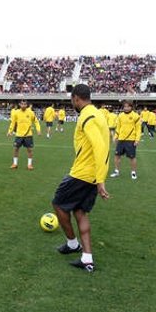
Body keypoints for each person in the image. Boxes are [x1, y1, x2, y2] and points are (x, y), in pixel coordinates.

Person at [53, 84, 110, 272]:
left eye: (72, 100)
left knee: (59, 204)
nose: (72, 103)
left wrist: (100, 179)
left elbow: (99, 147)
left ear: (76, 98)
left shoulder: (88, 115)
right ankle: (87, 258)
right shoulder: (98, 114)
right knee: (79, 211)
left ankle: (72, 244)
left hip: (83, 173)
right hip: (91, 174)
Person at [110, 100, 141, 179]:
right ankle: (116, 171)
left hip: (131, 140)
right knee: (117, 156)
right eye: (125, 107)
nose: (126, 108)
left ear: (131, 107)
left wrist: (137, 140)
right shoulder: (120, 116)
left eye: (128, 106)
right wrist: (115, 137)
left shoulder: (136, 116)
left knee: (132, 157)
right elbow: (118, 127)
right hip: (121, 139)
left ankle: (133, 173)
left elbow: (138, 129)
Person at [7, 100, 41, 170]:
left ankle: (29, 165)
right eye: (22, 104)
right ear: (19, 104)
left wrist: (38, 130)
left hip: (28, 135)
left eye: (25, 104)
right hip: (19, 135)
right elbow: (13, 123)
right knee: (16, 149)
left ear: (27, 105)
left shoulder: (31, 113)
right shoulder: (16, 113)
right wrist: (10, 131)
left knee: (29, 150)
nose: (23, 105)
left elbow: (36, 121)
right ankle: (15, 164)